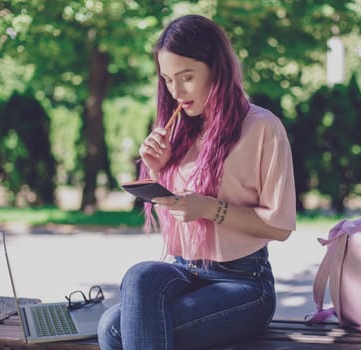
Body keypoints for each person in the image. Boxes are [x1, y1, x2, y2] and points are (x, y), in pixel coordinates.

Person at [98, 14, 296, 350]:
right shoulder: (178, 131)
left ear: (216, 69)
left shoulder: (264, 128)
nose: (176, 92)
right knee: (139, 278)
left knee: (115, 332)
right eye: (167, 80)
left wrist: (210, 208)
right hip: (184, 271)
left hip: (243, 282)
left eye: (186, 77)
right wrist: (158, 172)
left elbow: (280, 227)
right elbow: (178, 224)